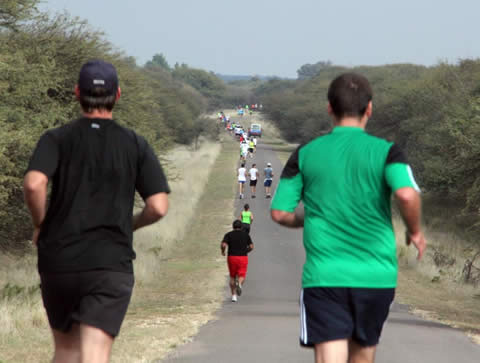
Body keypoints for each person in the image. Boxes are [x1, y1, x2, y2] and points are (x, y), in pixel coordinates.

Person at [270, 72, 426, 363]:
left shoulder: (305, 153)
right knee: (363, 357)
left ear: (329, 107)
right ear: (369, 108)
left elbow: (280, 213)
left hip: (324, 277)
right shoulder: (388, 152)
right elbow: (406, 194)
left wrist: (308, 215)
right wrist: (414, 231)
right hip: (376, 277)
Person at [23, 60, 170, 363]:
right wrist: (130, 224)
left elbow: (34, 184)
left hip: (60, 258)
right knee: (94, 354)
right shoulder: (135, 144)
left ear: (77, 92)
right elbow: (158, 206)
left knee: (65, 350)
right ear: (118, 94)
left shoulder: (56, 138)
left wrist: (41, 225)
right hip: (109, 262)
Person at [221, 220, 254, 302]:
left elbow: (223, 244)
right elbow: (251, 246)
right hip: (243, 257)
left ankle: (233, 296)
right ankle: (239, 283)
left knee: (232, 276)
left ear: (233, 227)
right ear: (241, 227)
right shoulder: (246, 235)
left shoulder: (228, 235)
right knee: (242, 275)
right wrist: (246, 251)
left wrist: (223, 251)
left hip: (232, 257)